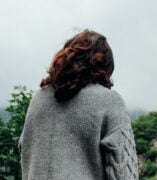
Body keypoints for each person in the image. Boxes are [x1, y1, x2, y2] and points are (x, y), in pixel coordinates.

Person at [18, 29, 139, 180]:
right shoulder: (110, 101)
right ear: (105, 67)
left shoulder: (38, 100)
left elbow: (26, 154)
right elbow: (124, 173)